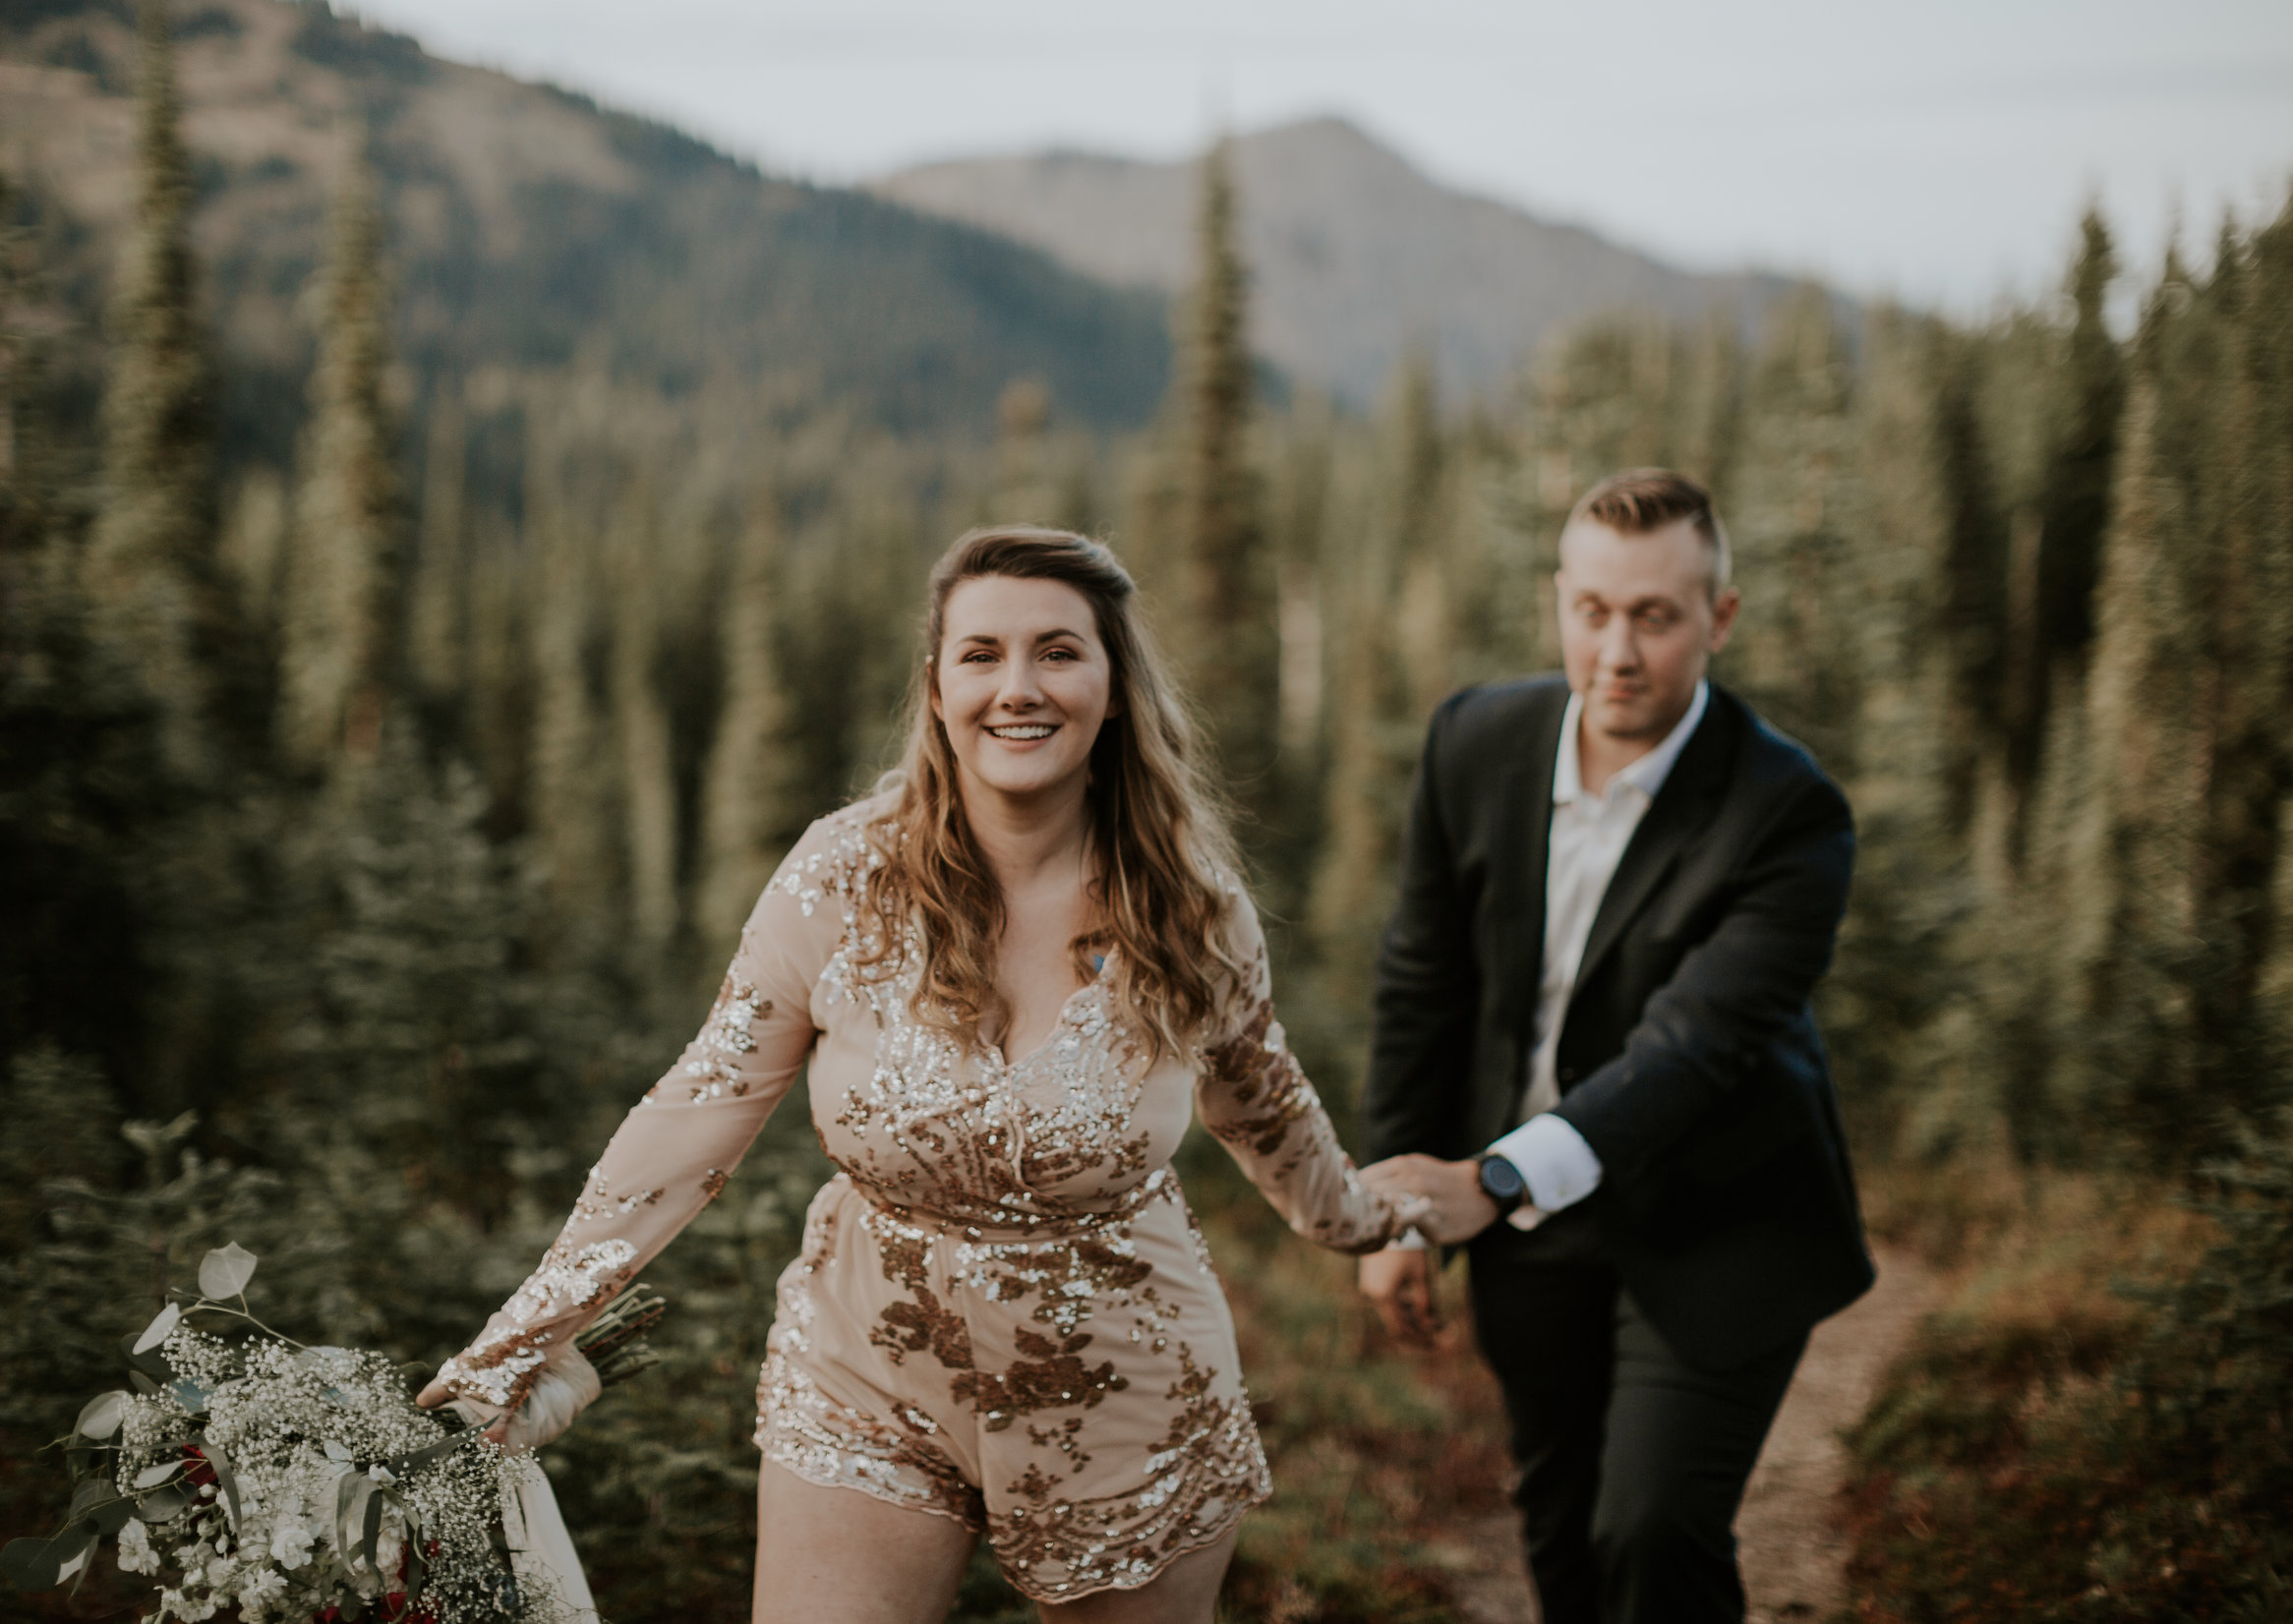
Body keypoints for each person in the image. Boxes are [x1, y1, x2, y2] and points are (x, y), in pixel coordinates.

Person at [422, 526, 1409, 1623]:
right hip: (865, 1373)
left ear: (1115, 687)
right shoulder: (840, 877)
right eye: (981, 653)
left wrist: (1374, 1222)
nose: (1017, 687)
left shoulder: (1189, 903)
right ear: (936, 688)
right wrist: (515, 1339)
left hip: (1130, 1391)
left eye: (1058, 652)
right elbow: (698, 1108)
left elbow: (1261, 1103)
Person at [1357, 469, 1875, 1624]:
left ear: (1718, 617)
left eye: (1655, 614)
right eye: (1592, 610)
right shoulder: (1472, 741)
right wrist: (1392, 1202)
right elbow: (1422, 983)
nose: (1618, 649)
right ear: (1559, 600)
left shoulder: (1789, 812)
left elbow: (1691, 1049)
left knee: (1653, 1526)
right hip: (1530, 1226)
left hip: (1718, 1210)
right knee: (1561, 1518)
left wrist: (1488, 1177)